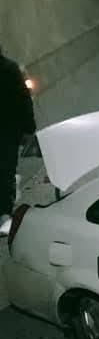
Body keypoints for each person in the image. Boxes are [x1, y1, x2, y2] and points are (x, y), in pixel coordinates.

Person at [0, 47, 36, 234]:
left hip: (7, 131)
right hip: (8, 131)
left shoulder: (10, 69)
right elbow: (25, 100)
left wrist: (28, 129)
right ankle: (4, 213)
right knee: (6, 170)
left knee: (5, 171)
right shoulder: (10, 68)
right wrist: (29, 128)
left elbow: (24, 100)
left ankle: (4, 213)